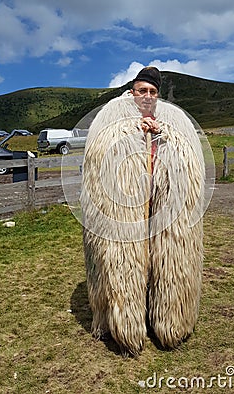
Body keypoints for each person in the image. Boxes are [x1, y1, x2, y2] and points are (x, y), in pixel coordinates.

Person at [81, 66, 205, 356]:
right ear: (132, 91)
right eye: (142, 90)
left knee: (169, 257)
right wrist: (133, 130)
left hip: (163, 199)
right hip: (125, 200)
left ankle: (170, 321)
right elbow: (99, 150)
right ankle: (124, 325)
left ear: (157, 94)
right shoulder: (113, 114)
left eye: (152, 91)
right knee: (123, 258)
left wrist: (162, 134)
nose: (147, 96)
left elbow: (189, 155)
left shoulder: (173, 118)